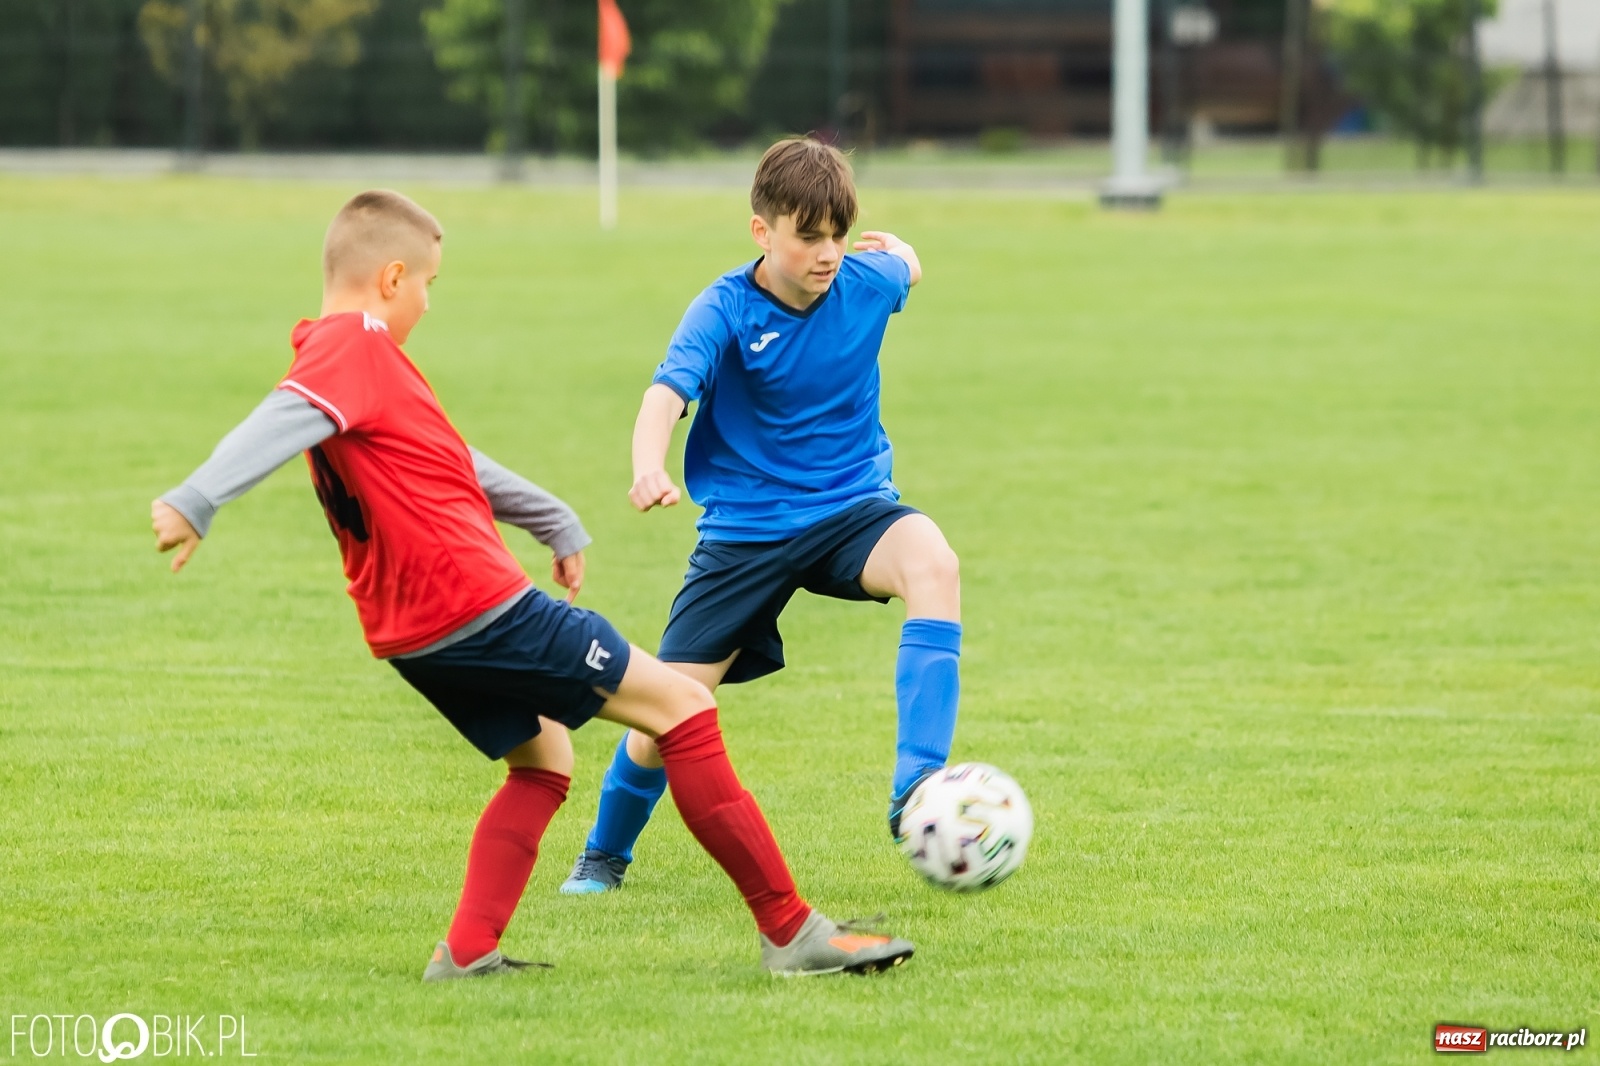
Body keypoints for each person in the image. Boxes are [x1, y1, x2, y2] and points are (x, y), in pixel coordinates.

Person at [150, 188, 913, 980]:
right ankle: (792, 933)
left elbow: (452, 461)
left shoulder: (357, 364)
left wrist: (552, 520)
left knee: (544, 759)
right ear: (390, 278)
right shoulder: (352, 349)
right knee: (683, 708)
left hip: (411, 633)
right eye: (426, 288)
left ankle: (468, 952)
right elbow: (280, 417)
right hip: (479, 606)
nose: (426, 305)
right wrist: (193, 501)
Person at [562, 138, 962, 895]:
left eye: (839, 235)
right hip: (746, 532)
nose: (828, 254)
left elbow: (906, 266)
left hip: (852, 508)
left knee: (934, 564)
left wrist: (905, 251)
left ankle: (917, 790)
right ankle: (604, 853)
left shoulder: (865, 280)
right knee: (670, 710)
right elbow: (665, 394)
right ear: (762, 232)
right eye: (808, 236)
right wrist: (648, 463)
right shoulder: (724, 307)